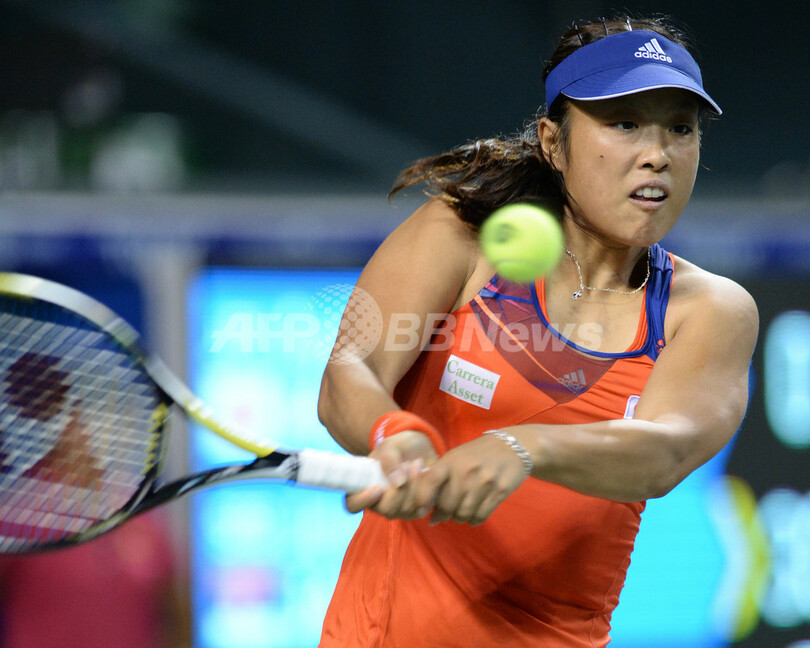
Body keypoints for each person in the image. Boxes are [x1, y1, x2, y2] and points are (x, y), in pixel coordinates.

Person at [317, 14, 758, 648]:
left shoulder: (712, 310)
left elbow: (663, 453)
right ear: (553, 142)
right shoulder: (459, 236)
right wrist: (394, 434)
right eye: (623, 123)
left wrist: (524, 449)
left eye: (680, 129)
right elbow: (348, 373)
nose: (657, 154)